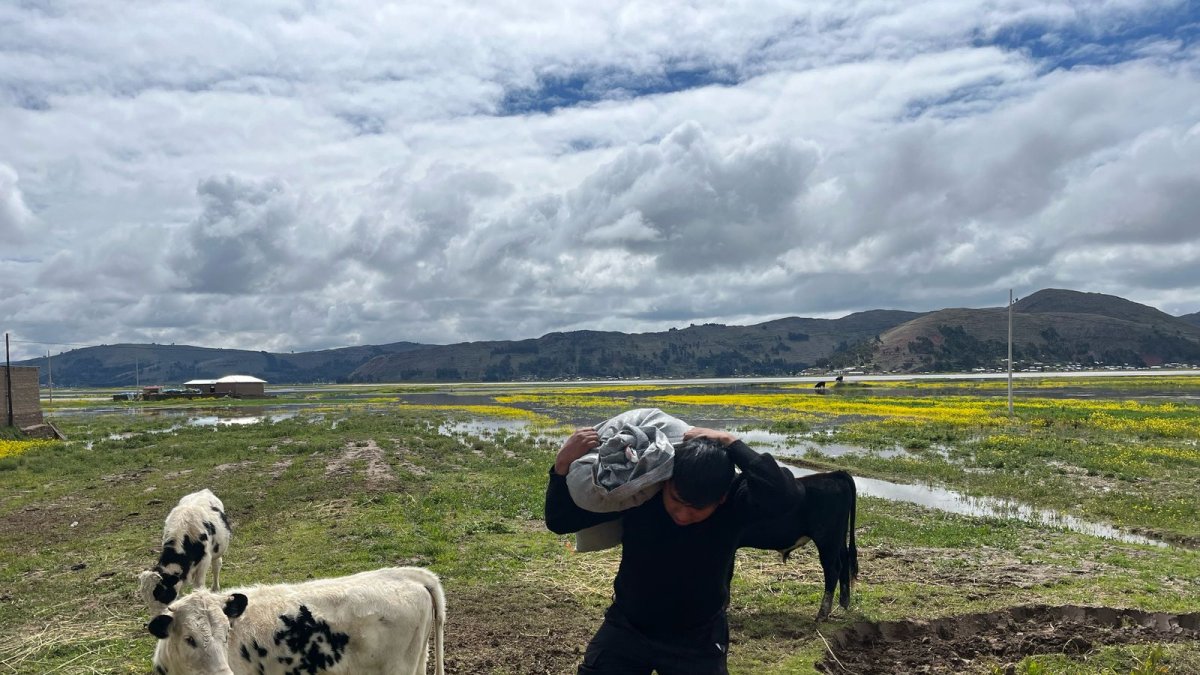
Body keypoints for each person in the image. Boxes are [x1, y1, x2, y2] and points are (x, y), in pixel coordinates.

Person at [545, 425, 800, 674]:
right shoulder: (644, 491)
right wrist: (561, 467)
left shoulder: (734, 501)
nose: (683, 514)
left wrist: (730, 442)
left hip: (698, 637)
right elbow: (560, 521)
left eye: (697, 508)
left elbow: (785, 495)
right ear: (667, 482)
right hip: (629, 626)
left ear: (721, 498)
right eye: (677, 500)